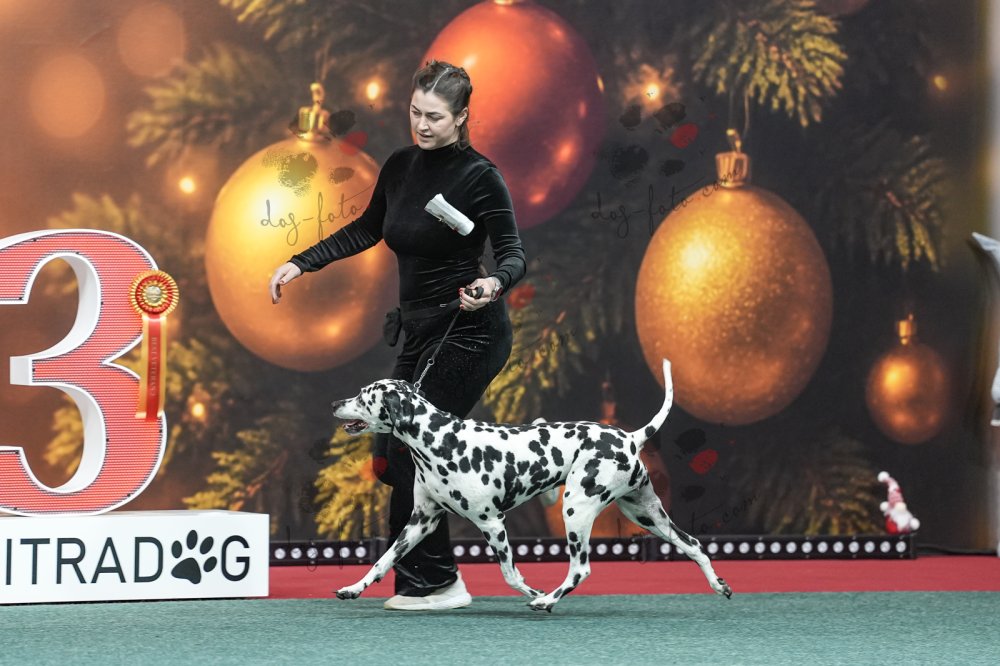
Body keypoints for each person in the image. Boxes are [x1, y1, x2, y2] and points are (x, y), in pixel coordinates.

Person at [268, 60, 527, 611]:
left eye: (435, 117)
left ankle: (434, 583)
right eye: (416, 112)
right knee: (389, 455)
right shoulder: (402, 165)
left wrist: (492, 283)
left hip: (470, 333)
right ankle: (435, 580)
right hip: (419, 330)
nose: (423, 125)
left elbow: (513, 254)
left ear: (462, 117)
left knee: (412, 451)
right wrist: (301, 262)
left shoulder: (480, 176)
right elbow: (368, 228)